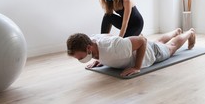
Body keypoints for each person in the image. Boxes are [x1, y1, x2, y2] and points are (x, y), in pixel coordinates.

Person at [66, 28, 196, 77]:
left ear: (89, 48)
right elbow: (108, 35)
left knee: (171, 47)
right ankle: (175, 31)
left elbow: (142, 41)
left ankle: (189, 32)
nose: (81, 60)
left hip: (150, 53)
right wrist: (98, 59)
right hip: (138, 47)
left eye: (81, 57)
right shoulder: (93, 40)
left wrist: (136, 67)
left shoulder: (114, 47)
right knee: (158, 42)